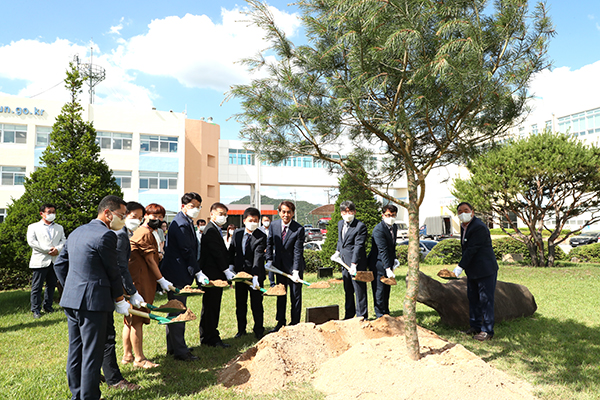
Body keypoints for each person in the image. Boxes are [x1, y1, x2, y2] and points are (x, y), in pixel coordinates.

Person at [53, 195, 131, 400]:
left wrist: (70, 286)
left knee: (76, 349)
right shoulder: (106, 236)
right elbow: (113, 271)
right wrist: (120, 300)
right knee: (92, 353)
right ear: (107, 213)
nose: (123, 220)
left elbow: (60, 264)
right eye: (121, 216)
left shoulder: (77, 231)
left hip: (72, 299)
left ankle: (77, 394)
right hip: (93, 302)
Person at [122, 203, 173, 369]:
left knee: (128, 320)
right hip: (139, 281)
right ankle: (139, 358)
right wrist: (161, 280)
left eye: (160, 217)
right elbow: (150, 260)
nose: (157, 220)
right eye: (154, 216)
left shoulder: (143, 232)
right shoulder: (144, 232)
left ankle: (127, 355)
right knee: (137, 319)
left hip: (133, 279)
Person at [102, 201, 145, 391]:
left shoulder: (124, 233)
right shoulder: (119, 235)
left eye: (139, 217)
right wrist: (129, 294)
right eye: (132, 216)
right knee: (105, 337)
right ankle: (112, 377)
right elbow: (120, 267)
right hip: (105, 291)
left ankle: (99, 373)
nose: (137, 220)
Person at [161, 192, 203, 361]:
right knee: (178, 311)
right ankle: (180, 351)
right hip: (177, 273)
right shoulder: (181, 224)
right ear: (183, 206)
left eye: (198, 206)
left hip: (177, 272)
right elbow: (187, 250)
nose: (196, 209)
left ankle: (174, 346)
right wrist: (197, 272)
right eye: (192, 206)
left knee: (174, 310)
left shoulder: (185, 221)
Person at [453, 202, 499, 341]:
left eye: (466, 210)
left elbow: (472, 249)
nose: (463, 213)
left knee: (486, 300)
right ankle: (475, 326)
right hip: (472, 270)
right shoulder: (464, 226)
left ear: (472, 212)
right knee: (473, 299)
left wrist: (460, 266)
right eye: (460, 211)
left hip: (485, 269)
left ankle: (487, 331)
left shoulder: (478, 227)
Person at [197, 202, 235, 348]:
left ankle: (206, 335)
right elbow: (217, 253)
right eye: (220, 214)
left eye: (225, 214)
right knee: (212, 306)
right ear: (211, 214)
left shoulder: (215, 229)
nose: (223, 217)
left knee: (209, 306)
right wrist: (226, 270)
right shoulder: (211, 230)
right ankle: (211, 337)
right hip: (213, 274)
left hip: (214, 273)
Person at [266, 201, 305, 332]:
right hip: (279, 267)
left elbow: (298, 251)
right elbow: (269, 243)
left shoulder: (298, 229)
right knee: (281, 295)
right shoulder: (274, 225)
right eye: (283, 212)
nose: (286, 214)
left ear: (293, 213)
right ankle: (280, 322)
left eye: (289, 212)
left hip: (294, 267)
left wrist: (295, 271)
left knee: (295, 296)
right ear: (279, 212)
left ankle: (295, 323)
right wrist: (269, 260)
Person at [228, 207, 267, 339]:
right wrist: (230, 268)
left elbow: (258, 257)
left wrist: (255, 276)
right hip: (240, 275)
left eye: (256, 220)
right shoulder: (237, 234)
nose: (253, 223)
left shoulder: (261, 236)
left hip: (255, 275)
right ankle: (241, 329)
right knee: (240, 303)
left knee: (256, 303)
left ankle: (259, 330)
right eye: (251, 220)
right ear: (244, 220)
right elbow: (232, 251)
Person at [27, 203, 66, 319]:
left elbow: (64, 240)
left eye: (53, 212)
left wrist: (57, 249)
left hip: (54, 260)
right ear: (42, 214)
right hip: (40, 260)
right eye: (49, 212)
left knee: (51, 285)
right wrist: (48, 250)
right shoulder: (33, 227)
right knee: (37, 286)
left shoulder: (59, 227)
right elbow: (32, 242)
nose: (52, 214)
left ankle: (48, 306)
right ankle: (36, 309)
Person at [332, 201, 368, 319]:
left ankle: (361, 316)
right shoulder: (340, 223)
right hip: (344, 262)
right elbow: (340, 241)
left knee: (359, 291)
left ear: (354, 212)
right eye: (345, 212)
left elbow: (358, 246)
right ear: (341, 213)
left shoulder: (360, 226)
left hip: (356, 263)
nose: (347, 214)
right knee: (348, 290)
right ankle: (349, 314)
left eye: (350, 211)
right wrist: (337, 252)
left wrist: (354, 264)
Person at [368, 204, 399, 318]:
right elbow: (382, 250)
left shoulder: (394, 227)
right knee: (379, 290)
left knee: (387, 288)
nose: (390, 217)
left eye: (393, 215)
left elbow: (392, 246)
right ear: (383, 215)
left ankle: (386, 312)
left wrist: (394, 259)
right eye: (388, 215)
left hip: (388, 262)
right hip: (378, 263)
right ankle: (380, 314)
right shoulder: (378, 230)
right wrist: (387, 268)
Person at [259, 216, 276, 287]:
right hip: (262, 252)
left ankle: (272, 283)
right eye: (264, 220)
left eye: (267, 220)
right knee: (260, 266)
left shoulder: (273, 229)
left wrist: (269, 249)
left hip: (271, 252)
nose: (266, 222)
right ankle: (261, 280)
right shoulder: (259, 230)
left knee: (270, 267)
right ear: (262, 222)